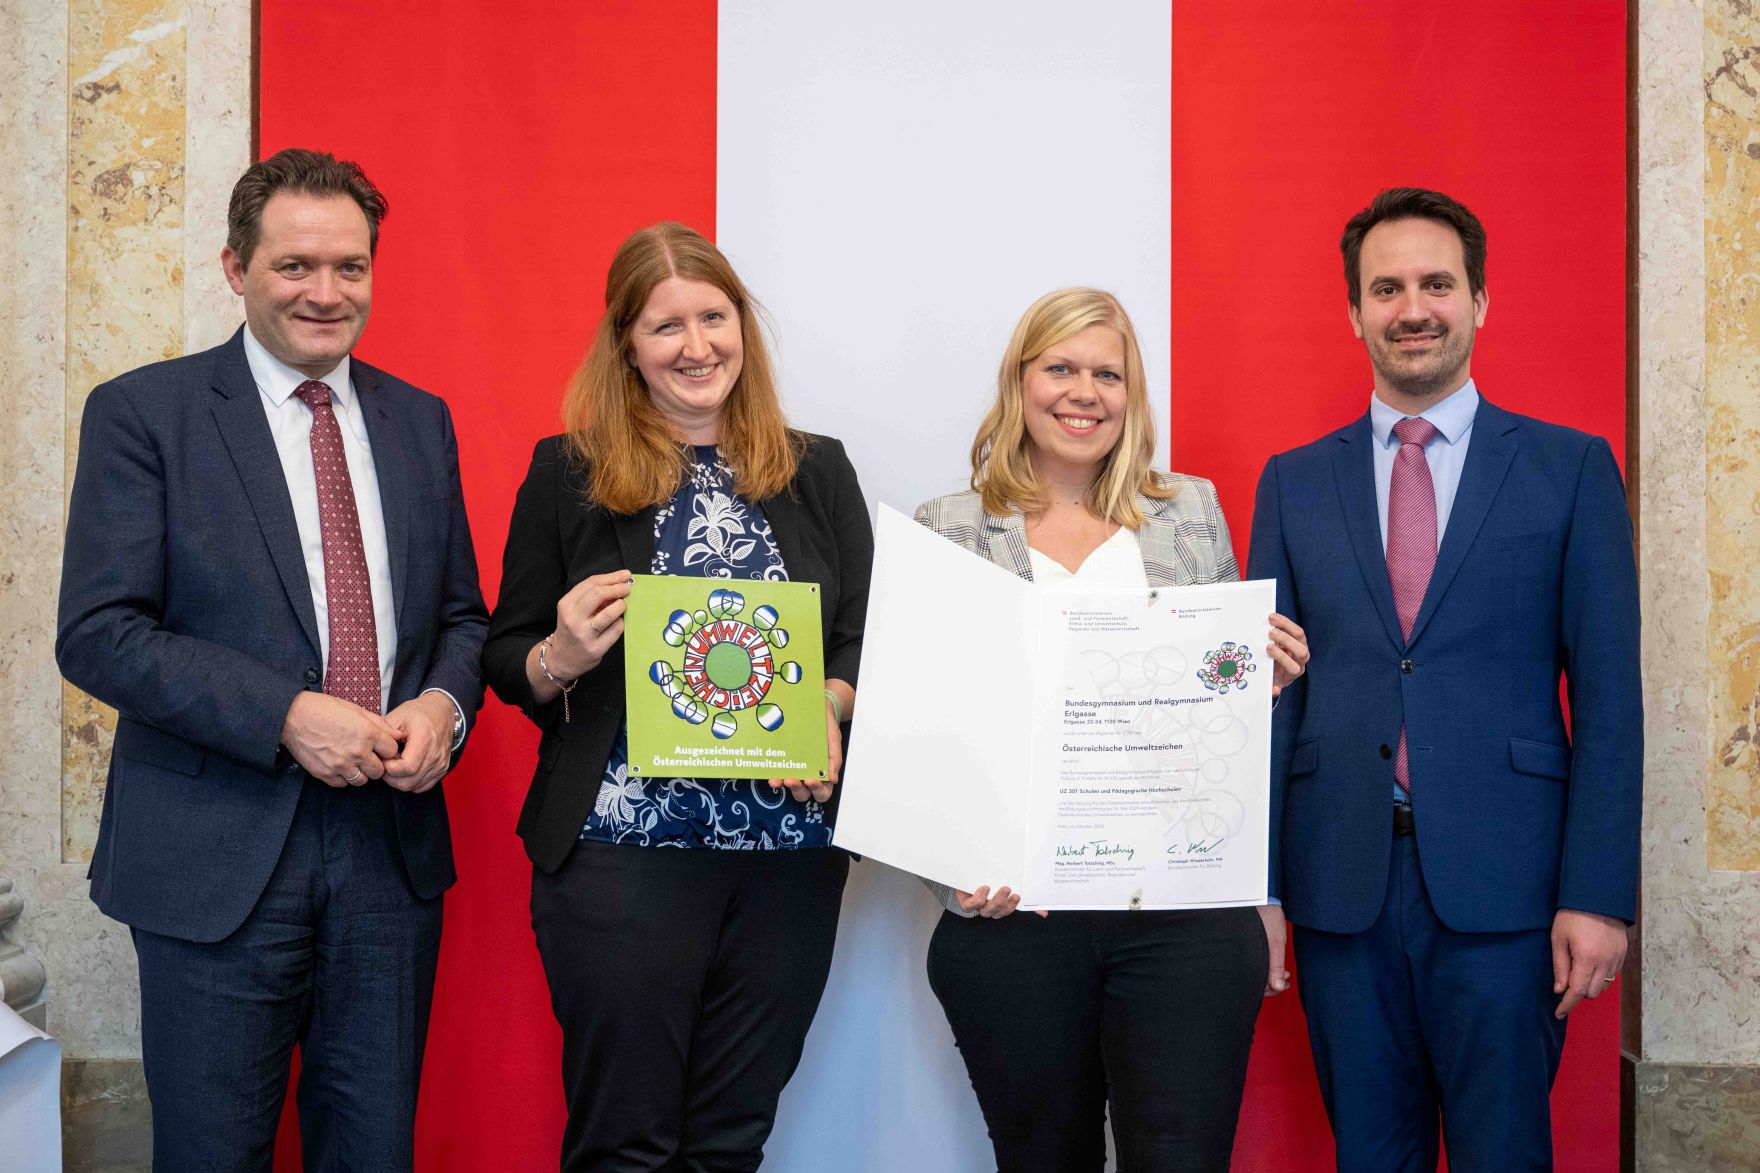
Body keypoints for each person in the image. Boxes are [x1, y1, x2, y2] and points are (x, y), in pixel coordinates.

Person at [55, 148, 488, 1171]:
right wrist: (286, 713)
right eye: (295, 265)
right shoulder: (144, 415)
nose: (325, 292)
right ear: (233, 268)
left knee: (373, 1151)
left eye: (349, 267)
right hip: (216, 858)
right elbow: (99, 631)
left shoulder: (418, 421)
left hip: (388, 858)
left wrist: (442, 708)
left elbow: (462, 619)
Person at [1246, 187, 1640, 1171]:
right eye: (1385, 288)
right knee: (1367, 1155)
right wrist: (1255, 887)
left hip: (1508, 896)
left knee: (1502, 1152)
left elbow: (1608, 704)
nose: (1410, 307)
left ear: (1478, 300)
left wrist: (1597, 895)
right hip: (1339, 886)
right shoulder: (1291, 482)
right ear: (1352, 312)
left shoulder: (1568, 469)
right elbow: (1268, 699)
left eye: (1434, 283)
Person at [481, 221, 873, 1172]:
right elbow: (506, 655)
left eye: (714, 316)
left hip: (787, 858)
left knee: (732, 1141)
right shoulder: (567, 472)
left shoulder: (817, 469)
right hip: (623, 856)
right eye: (666, 326)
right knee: (626, 1144)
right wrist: (563, 653)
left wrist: (829, 700)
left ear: (743, 325)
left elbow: (864, 633)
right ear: (626, 344)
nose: (697, 346)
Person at [912, 287, 1308, 1172]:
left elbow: (1216, 714)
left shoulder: (1189, 512)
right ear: (1021, 381)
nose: (1082, 391)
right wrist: (957, 871)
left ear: (1132, 395)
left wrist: (1258, 680)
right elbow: (921, 726)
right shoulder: (949, 527)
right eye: (1060, 367)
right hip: (1016, 923)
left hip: (1182, 918)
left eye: (1107, 373)